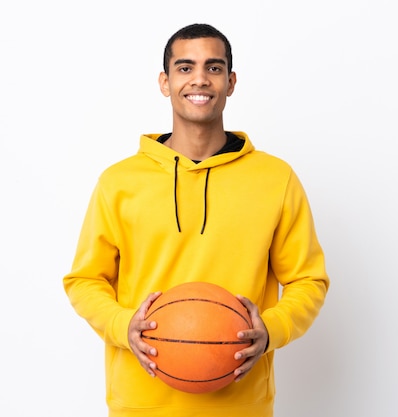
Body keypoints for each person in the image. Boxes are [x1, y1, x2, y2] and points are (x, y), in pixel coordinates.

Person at [63, 23, 329, 417]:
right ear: (165, 81)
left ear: (231, 81)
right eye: (185, 68)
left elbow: (309, 280)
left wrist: (271, 329)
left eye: (214, 67)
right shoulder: (119, 182)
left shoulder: (276, 179)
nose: (199, 79)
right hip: (141, 403)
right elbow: (84, 280)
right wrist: (123, 326)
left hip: (242, 405)